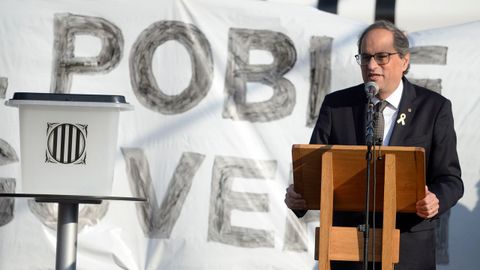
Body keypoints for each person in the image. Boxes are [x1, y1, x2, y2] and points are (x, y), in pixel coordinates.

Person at [284, 20, 463, 269]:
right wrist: (299, 196)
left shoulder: (433, 109)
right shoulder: (337, 106)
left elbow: (450, 180)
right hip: (348, 250)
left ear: (404, 60)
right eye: (366, 57)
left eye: (382, 57)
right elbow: (316, 170)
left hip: (407, 250)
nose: (371, 65)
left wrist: (435, 199)